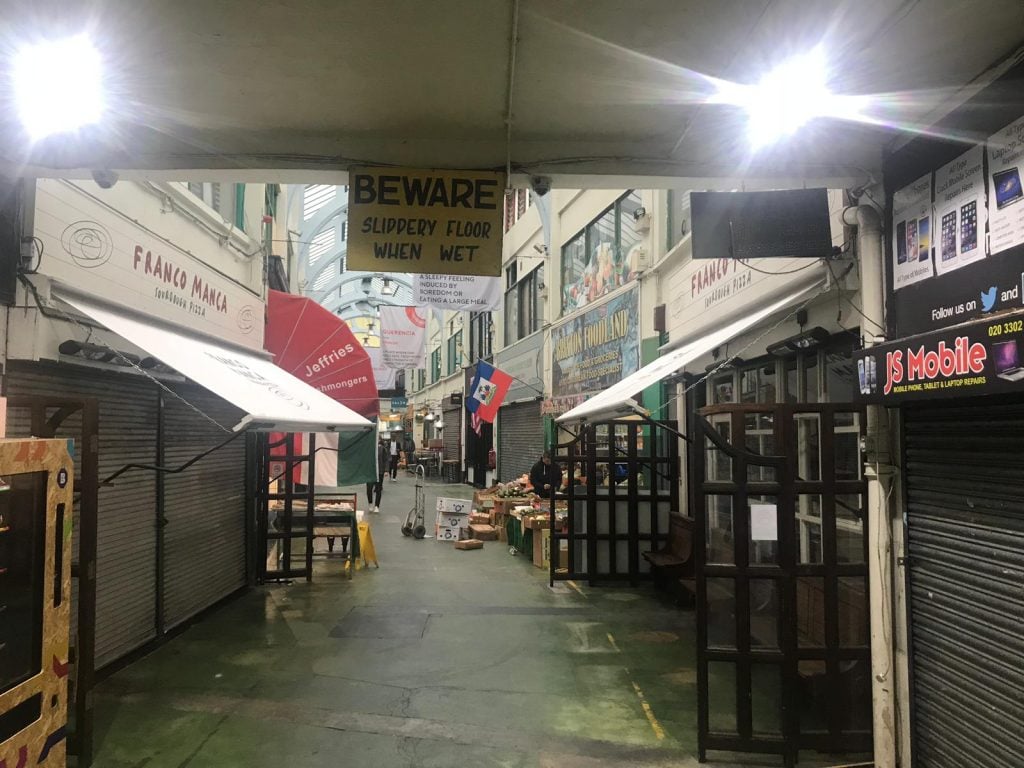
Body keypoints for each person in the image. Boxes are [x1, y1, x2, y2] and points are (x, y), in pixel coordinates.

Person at [365, 439, 388, 513]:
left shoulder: (382, 449)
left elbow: (386, 459)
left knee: (378, 489)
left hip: (379, 471)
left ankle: (377, 506)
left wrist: (386, 470)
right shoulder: (368, 447)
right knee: (369, 488)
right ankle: (370, 503)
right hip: (370, 471)